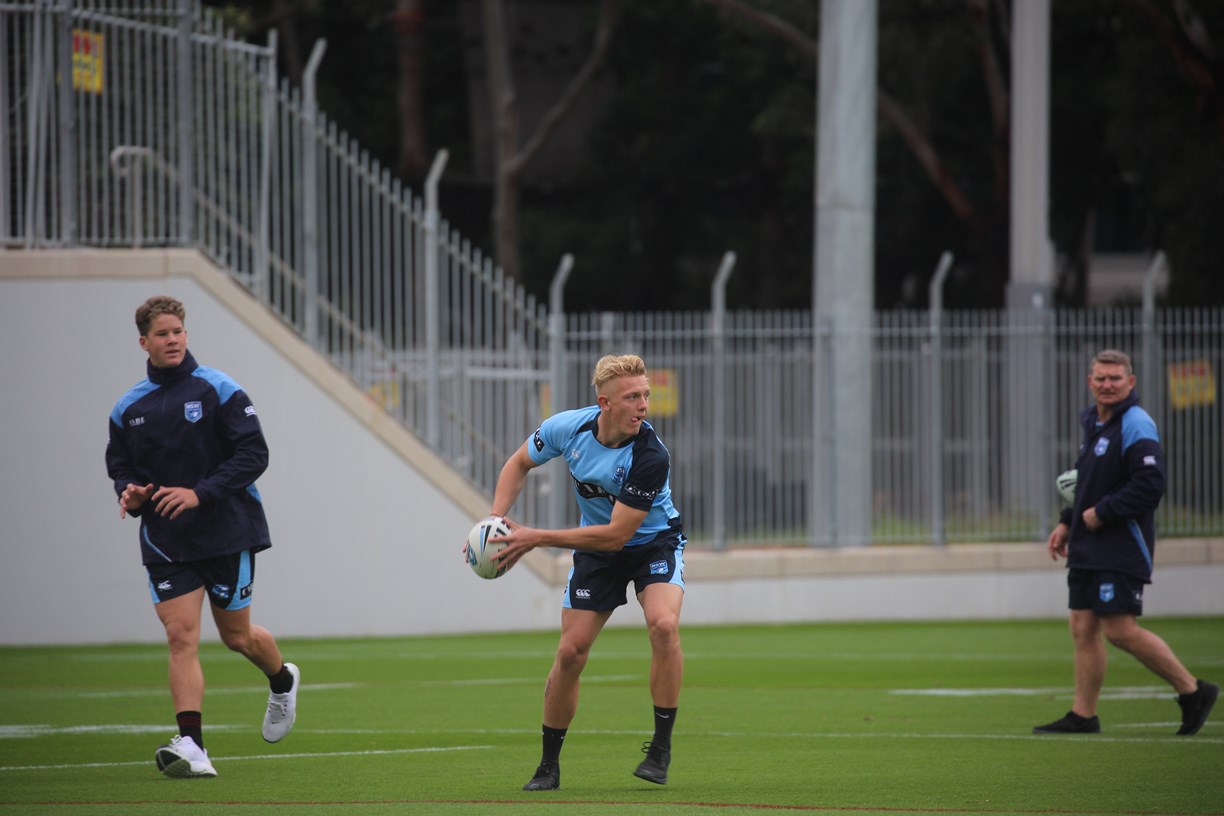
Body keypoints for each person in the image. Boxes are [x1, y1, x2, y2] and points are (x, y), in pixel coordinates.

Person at [105, 296, 300, 778]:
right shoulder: (127, 408)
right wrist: (129, 493)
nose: (172, 340)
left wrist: (199, 493)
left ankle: (281, 681)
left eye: (178, 331)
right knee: (180, 635)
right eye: (162, 334)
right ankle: (192, 745)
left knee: (237, 637)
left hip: (227, 530)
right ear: (144, 342)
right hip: (165, 539)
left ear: (186, 335)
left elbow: (253, 455)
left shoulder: (219, 389)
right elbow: (121, 468)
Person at [474, 354, 686, 790]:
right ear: (605, 403)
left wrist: (535, 537)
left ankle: (661, 748)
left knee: (663, 625)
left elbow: (617, 535)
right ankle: (548, 766)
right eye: (632, 397)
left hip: (652, 543)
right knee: (570, 653)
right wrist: (494, 525)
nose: (643, 405)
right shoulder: (567, 428)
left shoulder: (651, 455)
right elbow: (518, 463)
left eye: (646, 395)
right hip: (597, 553)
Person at [1035, 349, 1217, 736]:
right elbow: (1086, 480)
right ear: (1090, 382)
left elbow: (1150, 484)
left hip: (1120, 543)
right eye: (1101, 378)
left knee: (1119, 630)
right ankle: (1083, 715)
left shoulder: (1136, 423)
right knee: (1082, 625)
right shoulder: (1094, 421)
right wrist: (1067, 521)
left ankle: (1192, 690)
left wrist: (1103, 512)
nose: (1107, 384)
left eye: (1115, 378)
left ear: (1130, 382)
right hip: (1088, 542)